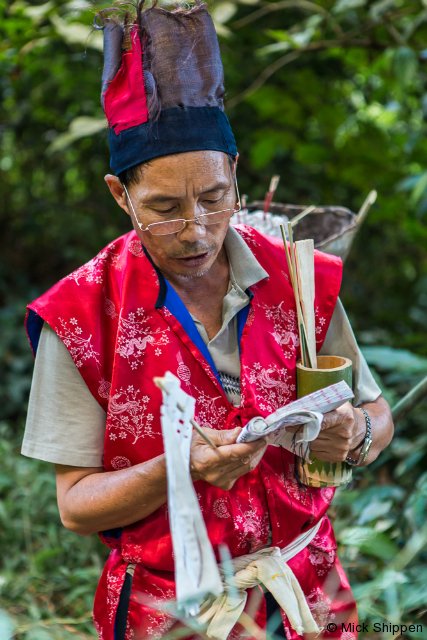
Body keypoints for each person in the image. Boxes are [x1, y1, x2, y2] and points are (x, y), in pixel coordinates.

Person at [22, 3, 394, 639]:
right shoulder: (80, 314)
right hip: (173, 615)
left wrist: (355, 434)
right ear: (120, 194)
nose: (196, 230)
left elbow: (375, 414)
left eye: (214, 198)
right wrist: (181, 467)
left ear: (235, 175)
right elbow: (76, 506)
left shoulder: (300, 278)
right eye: (164, 207)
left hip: (311, 589)